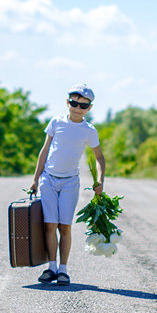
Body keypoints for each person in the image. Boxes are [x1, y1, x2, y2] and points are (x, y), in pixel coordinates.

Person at [29, 83, 106, 286]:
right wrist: (36, 179)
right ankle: (51, 268)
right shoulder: (56, 122)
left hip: (70, 183)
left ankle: (63, 270)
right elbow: (44, 151)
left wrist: (100, 181)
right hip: (49, 179)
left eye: (83, 105)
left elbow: (100, 158)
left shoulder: (89, 131)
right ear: (67, 102)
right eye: (74, 103)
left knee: (64, 226)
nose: (77, 108)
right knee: (49, 225)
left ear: (89, 108)